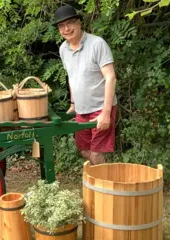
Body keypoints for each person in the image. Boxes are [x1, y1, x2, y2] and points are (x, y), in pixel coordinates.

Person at [55, 4, 118, 165]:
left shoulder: (97, 44)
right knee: (84, 150)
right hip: (81, 110)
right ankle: (103, 181)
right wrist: (73, 104)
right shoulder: (63, 49)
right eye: (61, 26)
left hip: (100, 108)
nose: (66, 29)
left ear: (79, 23)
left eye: (70, 23)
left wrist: (106, 113)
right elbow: (72, 76)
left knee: (96, 155)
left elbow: (110, 77)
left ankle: (107, 189)